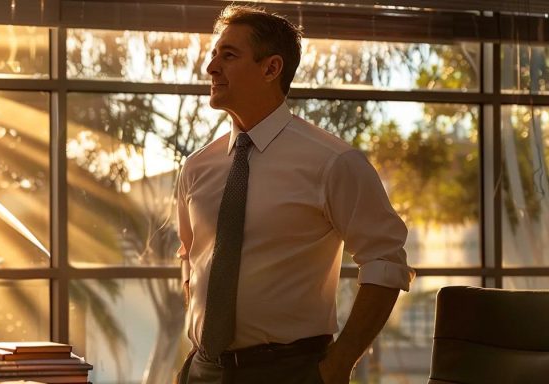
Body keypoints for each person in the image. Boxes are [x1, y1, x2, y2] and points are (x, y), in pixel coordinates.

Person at [174, 5, 415, 384]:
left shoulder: (334, 162)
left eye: (229, 55)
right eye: (213, 54)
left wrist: (339, 365)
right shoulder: (196, 167)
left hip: (291, 372)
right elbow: (192, 258)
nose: (211, 68)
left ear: (271, 68)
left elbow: (386, 262)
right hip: (202, 371)